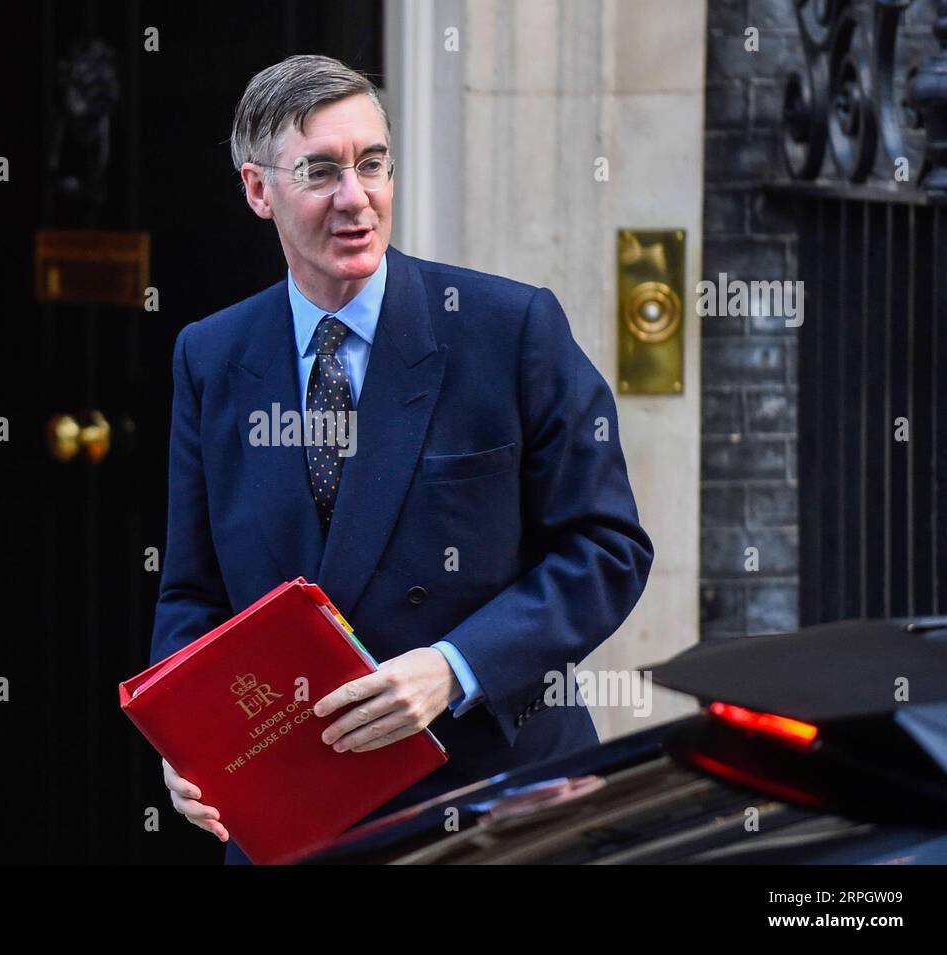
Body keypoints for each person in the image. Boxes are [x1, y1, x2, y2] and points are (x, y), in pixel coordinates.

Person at [151, 54, 655, 864]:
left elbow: (607, 548)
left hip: (493, 806)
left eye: (372, 164)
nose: (356, 198)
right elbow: (192, 590)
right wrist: (188, 740)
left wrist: (455, 667)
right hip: (294, 816)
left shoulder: (509, 327)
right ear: (257, 189)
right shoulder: (209, 356)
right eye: (320, 171)